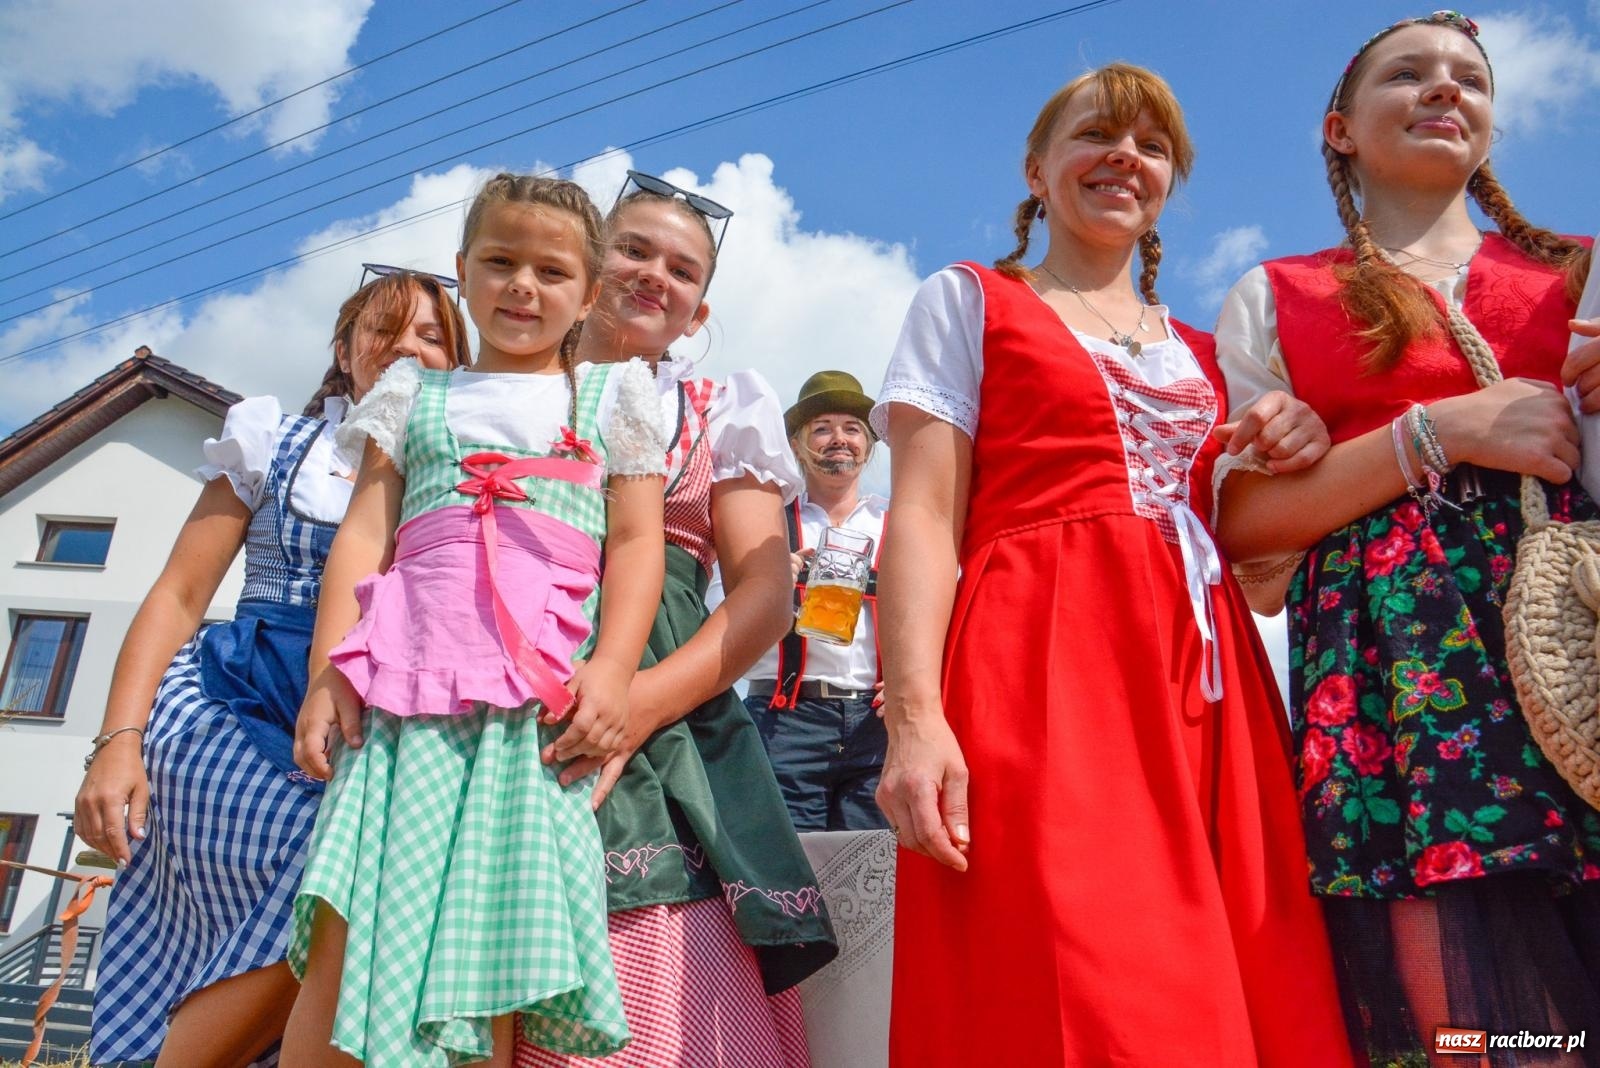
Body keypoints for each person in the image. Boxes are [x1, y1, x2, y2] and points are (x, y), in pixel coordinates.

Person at [871, 63, 1353, 1065]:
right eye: (1096, 134)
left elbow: (1253, 564)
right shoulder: (969, 301)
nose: (1124, 157)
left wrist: (1284, 436)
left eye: (1152, 145)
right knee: (1073, 965)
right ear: (1036, 171)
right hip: (1037, 663)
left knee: (1228, 965)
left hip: (1201, 680)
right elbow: (919, 515)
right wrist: (915, 721)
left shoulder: (1207, 351)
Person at [1212, 12, 1600, 1063]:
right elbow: (1241, 530)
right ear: (1337, 129)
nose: (1444, 90)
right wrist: (1441, 431)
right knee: (1465, 1029)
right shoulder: (1275, 296)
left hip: (1575, 649)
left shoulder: (1579, 273)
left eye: (1468, 78)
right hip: (1394, 684)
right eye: (1408, 75)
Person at [282, 173, 670, 1068]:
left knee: (490, 956)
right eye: (499, 262)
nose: (522, 287)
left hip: (527, 726)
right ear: (462, 270)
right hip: (397, 712)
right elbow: (364, 538)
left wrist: (611, 671)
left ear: (589, 293)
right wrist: (325, 673)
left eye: (551, 270)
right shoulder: (412, 396)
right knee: (350, 929)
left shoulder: (611, 395)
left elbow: (640, 544)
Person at [78, 268, 468, 1067]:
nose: (405, 347)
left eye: (432, 335)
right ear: (343, 348)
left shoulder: (461, 468)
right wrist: (118, 740)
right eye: (383, 327)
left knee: (360, 907)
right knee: (335, 884)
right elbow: (180, 595)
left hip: (365, 733)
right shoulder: (279, 439)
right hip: (233, 708)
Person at [516, 170, 834, 1068]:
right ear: (587, 261)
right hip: (500, 698)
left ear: (698, 314)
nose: (656, 274)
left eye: (683, 270)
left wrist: (642, 700)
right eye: (634, 249)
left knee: (659, 986)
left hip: (671, 723)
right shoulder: (502, 392)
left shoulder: (713, 412)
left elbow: (766, 597)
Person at [740, 369, 891, 832]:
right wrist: (762, 583)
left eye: (851, 428)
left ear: (869, 445)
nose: (838, 439)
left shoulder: (900, 520)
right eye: (822, 429)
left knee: (872, 877)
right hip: (785, 720)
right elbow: (716, 609)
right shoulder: (762, 519)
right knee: (787, 873)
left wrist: (915, 683)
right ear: (798, 446)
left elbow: (945, 613)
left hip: (878, 724)